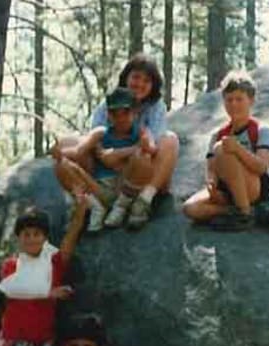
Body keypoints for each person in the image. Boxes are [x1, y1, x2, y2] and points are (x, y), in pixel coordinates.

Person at [53, 54, 180, 230]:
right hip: (106, 175)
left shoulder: (156, 107)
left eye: (146, 80)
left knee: (169, 140)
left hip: (141, 171)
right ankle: (88, 203)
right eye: (136, 77)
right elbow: (94, 139)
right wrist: (100, 155)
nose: (140, 84)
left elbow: (153, 146)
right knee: (68, 142)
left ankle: (143, 201)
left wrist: (119, 154)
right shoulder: (109, 103)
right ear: (126, 77)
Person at [182, 70, 269, 231]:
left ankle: (244, 214)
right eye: (229, 100)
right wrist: (212, 184)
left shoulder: (262, 130)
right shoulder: (218, 134)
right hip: (227, 190)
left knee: (222, 148)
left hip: (254, 187)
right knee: (190, 208)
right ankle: (247, 213)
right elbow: (211, 166)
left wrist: (238, 150)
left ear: (251, 100)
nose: (234, 104)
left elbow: (262, 167)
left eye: (239, 99)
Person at [0, 203, 86, 346]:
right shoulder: (11, 266)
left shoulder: (54, 264)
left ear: (45, 238)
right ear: (18, 238)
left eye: (36, 234)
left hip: (43, 340)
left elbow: (71, 237)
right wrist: (49, 292)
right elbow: (13, 288)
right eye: (26, 235)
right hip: (13, 339)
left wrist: (80, 211)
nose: (31, 239)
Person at [52, 88, 151, 232]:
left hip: (125, 187)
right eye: (115, 113)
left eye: (126, 112)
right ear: (108, 115)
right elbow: (78, 151)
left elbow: (148, 149)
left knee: (143, 158)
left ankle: (121, 207)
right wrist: (59, 153)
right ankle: (95, 208)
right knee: (61, 165)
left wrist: (117, 153)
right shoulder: (100, 133)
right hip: (99, 188)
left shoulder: (140, 132)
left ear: (135, 113)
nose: (121, 118)